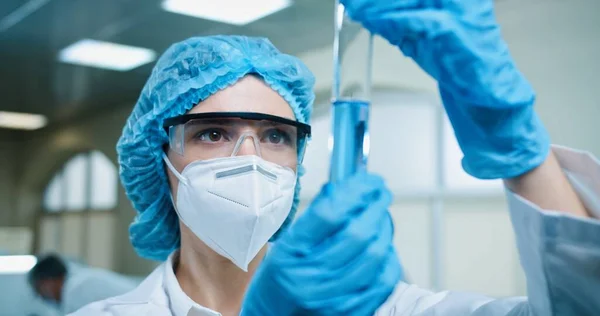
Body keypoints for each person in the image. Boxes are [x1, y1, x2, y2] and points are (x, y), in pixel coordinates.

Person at [72, 1, 600, 315]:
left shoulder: (384, 308)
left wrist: (518, 146)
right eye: (212, 132)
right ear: (158, 159)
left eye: (276, 136)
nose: (250, 158)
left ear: (299, 161)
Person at [29, 254, 138, 314]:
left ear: (48, 282)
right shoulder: (82, 281)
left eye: (40, 291)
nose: (43, 298)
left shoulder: (76, 291)